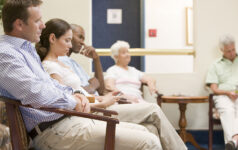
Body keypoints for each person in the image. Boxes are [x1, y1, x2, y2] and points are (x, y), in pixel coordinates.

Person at [0, 0, 164, 149]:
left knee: (147, 131)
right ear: (19, 24)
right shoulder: (6, 54)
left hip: (65, 121)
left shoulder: (26, 50)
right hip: (52, 130)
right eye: (37, 21)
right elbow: (36, 93)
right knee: (149, 142)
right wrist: (73, 100)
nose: (42, 25)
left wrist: (75, 94)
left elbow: (50, 85)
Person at [37, 21, 187, 150]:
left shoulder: (64, 64)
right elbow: (70, 101)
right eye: (68, 40)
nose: (71, 45)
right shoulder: (51, 66)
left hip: (94, 106)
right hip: (88, 113)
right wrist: (102, 102)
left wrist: (101, 97)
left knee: (151, 129)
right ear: (52, 39)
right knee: (153, 111)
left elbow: (81, 94)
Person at [59, 24, 105, 95]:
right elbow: (74, 94)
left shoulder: (74, 63)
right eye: (80, 37)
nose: (82, 42)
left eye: (83, 39)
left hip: (97, 100)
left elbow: (101, 90)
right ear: (68, 35)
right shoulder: (60, 60)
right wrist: (92, 86)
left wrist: (96, 59)